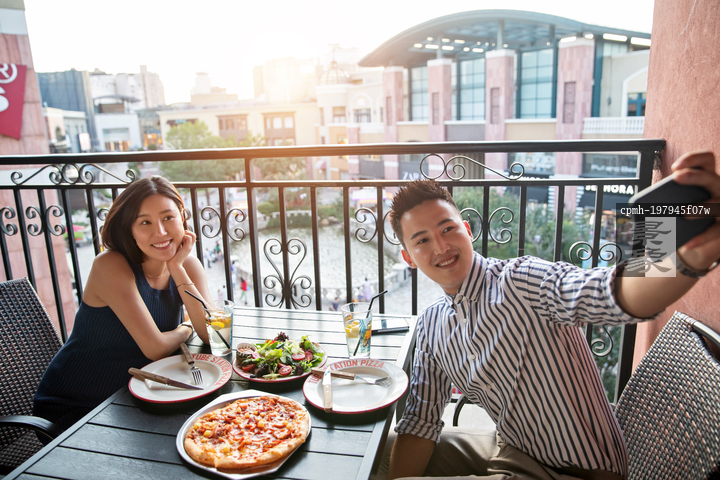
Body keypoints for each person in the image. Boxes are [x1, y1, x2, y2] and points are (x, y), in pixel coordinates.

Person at [384, 150, 720, 480]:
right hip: (512, 448)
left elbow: (613, 293)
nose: (441, 247)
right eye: (422, 240)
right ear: (409, 257)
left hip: (574, 472)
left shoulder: (521, 280)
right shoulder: (431, 324)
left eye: (448, 229)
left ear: (468, 230)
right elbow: (420, 422)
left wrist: (688, 257)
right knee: (381, 452)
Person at [33, 176, 213, 433]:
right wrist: (185, 329)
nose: (160, 232)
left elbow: (212, 333)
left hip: (136, 395)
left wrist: (176, 267)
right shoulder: (110, 265)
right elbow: (156, 348)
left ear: (182, 218)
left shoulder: (187, 265)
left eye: (168, 217)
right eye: (145, 222)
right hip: (79, 406)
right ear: (129, 229)